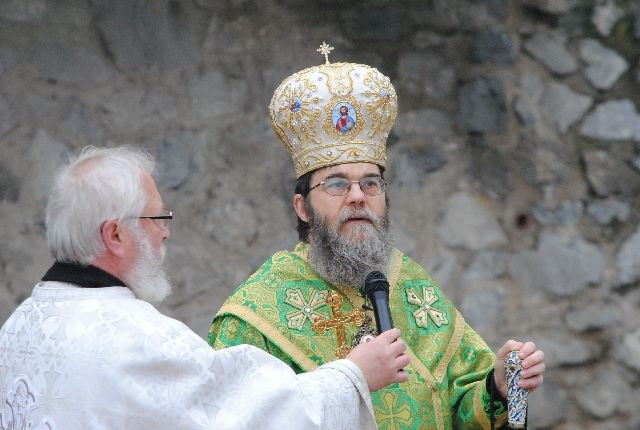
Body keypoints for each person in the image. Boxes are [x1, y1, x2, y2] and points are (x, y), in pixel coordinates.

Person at [209, 46, 546, 429]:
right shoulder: (256, 314)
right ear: (302, 207)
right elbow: (239, 418)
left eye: (370, 183)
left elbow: (461, 409)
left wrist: (498, 387)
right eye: (337, 184)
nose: (358, 196)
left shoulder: (412, 285)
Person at [0, 146, 411, 430]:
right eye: (157, 219)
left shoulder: (17, 328)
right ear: (115, 235)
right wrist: (354, 375)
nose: (165, 234)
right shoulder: (136, 339)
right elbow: (246, 418)